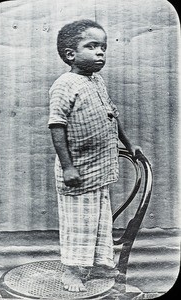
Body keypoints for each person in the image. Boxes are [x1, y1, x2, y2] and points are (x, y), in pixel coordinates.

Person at [48, 19, 142, 292]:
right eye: (92, 46)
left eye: (103, 47)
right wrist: (68, 167)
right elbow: (56, 125)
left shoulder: (97, 81)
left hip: (99, 168)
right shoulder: (65, 84)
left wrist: (129, 143)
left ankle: (96, 265)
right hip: (77, 170)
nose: (101, 52)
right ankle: (71, 271)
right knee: (77, 223)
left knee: (98, 220)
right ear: (70, 54)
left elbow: (112, 114)